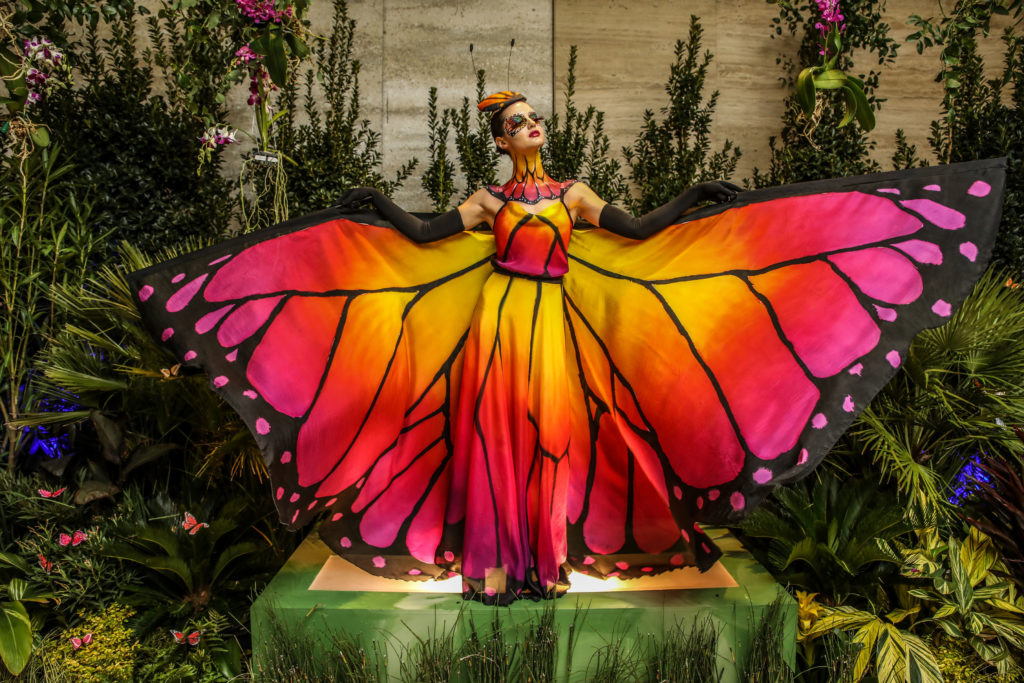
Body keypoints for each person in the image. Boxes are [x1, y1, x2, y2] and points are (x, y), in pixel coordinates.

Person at [130, 90, 1005, 604]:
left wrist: (695, 196)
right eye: (518, 122)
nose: (532, 127)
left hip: (555, 323)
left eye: (534, 118)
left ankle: (543, 561)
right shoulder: (486, 197)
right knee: (494, 433)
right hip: (497, 325)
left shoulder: (575, 192)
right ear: (500, 140)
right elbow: (433, 234)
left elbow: (637, 226)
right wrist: (377, 210)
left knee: (557, 431)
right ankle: (495, 568)